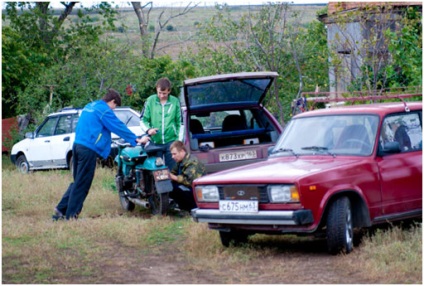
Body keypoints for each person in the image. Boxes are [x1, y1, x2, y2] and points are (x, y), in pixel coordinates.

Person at [53, 89, 149, 220]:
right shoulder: (104, 110)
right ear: (112, 102)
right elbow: (117, 126)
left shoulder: (90, 106)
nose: (113, 110)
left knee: (78, 181)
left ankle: (60, 209)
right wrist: (135, 139)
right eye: (115, 107)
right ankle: (71, 216)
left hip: (77, 146)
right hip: (88, 149)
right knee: (83, 183)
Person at [141, 77, 181, 170]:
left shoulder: (175, 102)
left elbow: (180, 122)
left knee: (173, 170)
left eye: (164, 93)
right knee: (156, 170)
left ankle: (173, 184)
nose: (161, 95)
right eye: (159, 93)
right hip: (155, 143)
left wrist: (178, 140)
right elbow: (143, 119)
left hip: (171, 142)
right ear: (156, 90)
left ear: (169, 91)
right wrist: (149, 130)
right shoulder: (150, 101)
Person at [169, 140, 206, 212]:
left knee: (176, 188)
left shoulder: (192, 161)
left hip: (198, 192)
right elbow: (173, 172)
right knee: (169, 185)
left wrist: (172, 177)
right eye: (172, 154)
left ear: (182, 151)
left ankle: (188, 209)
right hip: (191, 190)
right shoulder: (180, 161)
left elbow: (188, 181)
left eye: (174, 154)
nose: (172, 157)